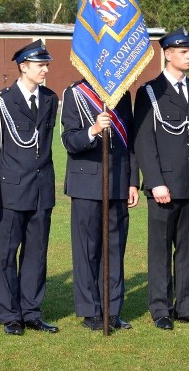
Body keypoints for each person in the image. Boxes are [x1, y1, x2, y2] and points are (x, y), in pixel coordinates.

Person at [133, 27, 189, 330]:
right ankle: (160, 309)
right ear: (167, 54)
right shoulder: (149, 92)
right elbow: (144, 142)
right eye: (184, 51)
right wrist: (155, 182)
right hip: (163, 186)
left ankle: (188, 307)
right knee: (160, 251)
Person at [0, 40, 59, 335]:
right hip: (11, 188)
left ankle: (31, 311)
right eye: (40, 65)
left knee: (36, 253)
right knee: (7, 254)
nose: (45, 70)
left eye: (46, 65)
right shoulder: (1, 102)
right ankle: (10, 314)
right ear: (23, 66)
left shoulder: (51, 99)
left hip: (42, 188)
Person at [61, 79, 139, 331]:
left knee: (115, 249)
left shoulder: (122, 93)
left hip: (117, 181)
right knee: (87, 249)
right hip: (86, 183)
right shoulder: (75, 93)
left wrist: (132, 181)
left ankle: (113, 309)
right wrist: (93, 130)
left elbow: (130, 140)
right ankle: (90, 311)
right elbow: (69, 140)